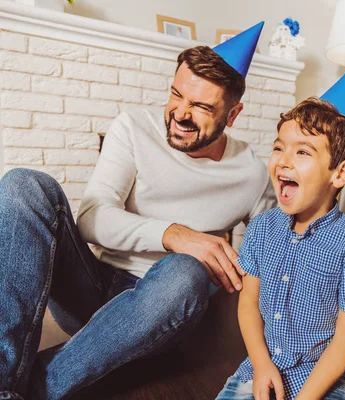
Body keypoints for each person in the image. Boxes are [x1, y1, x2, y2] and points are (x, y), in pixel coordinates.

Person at [0, 22, 273, 400]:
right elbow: (93, 219)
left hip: (163, 312)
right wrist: (176, 233)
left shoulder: (253, 174)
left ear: (233, 114)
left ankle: (25, 389)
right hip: (94, 287)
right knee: (22, 184)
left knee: (186, 269)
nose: (180, 112)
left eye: (201, 106)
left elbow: (262, 258)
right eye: (177, 94)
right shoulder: (133, 128)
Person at [215, 59, 345, 400]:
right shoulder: (262, 227)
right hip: (261, 367)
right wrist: (261, 366)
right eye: (279, 147)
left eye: (302, 152)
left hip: (324, 381)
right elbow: (248, 303)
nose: (283, 160)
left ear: (340, 173)